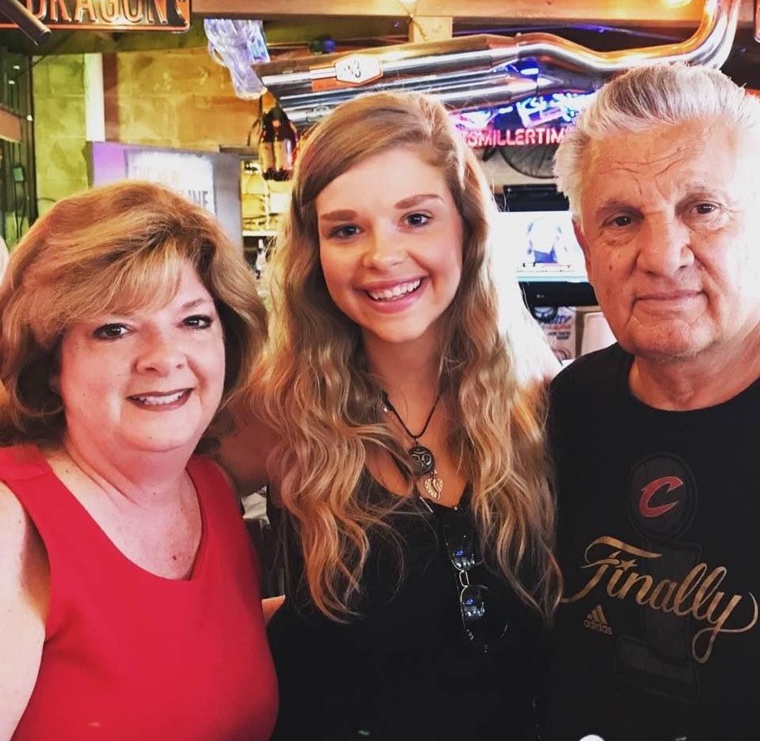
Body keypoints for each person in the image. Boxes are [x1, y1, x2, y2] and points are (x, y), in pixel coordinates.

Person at [224, 90, 562, 740]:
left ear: (467, 226)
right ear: (314, 254)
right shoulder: (281, 408)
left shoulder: (538, 403)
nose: (383, 256)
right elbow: (137, 521)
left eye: (416, 218)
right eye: (346, 229)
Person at [0, 181, 278, 739]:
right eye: (114, 329)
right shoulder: (13, 522)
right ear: (51, 362)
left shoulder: (211, 485)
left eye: (193, 320)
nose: (163, 357)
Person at [542, 63, 760, 741]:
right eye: (623, 219)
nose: (662, 256)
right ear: (585, 246)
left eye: (704, 208)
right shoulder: (571, 408)